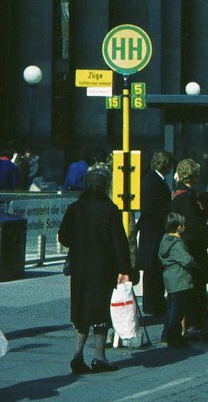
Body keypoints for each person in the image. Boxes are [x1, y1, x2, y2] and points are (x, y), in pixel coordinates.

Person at [57, 164, 130, 374]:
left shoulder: (75, 208)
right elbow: (120, 243)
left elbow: (64, 237)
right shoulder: (110, 209)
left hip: (80, 269)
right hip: (103, 269)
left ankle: (77, 356)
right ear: (107, 185)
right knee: (100, 312)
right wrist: (125, 269)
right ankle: (99, 357)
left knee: (80, 311)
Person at [169, 159, 208, 335]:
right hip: (193, 248)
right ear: (193, 177)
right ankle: (194, 324)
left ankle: (192, 323)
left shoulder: (179, 194)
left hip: (186, 245)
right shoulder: (187, 198)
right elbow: (195, 226)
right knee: (194, 287)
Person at [136, 151, 173, 317]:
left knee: (155, 269)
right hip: (154, 232)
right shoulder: (152, 181)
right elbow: (151, 209)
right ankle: (153, 304)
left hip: (153, 231)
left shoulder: (155, 179)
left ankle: (155, 302)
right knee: (153, 270)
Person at [158, 212, 195, 347]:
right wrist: (194, 262)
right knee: (178, 311)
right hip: (180, 278)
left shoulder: (164, 241)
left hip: (169, 277)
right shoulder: (176, 243)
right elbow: (186, 260)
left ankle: (166, 335)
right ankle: (174, 337)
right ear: (179, 227)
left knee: (171, 308)